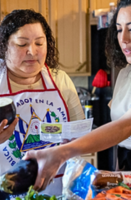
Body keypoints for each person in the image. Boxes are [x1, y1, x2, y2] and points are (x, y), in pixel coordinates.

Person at [23, 0, 131, 192]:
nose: (123, 38)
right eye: (118, 30)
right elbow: (121, 133)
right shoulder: (128, 72)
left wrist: (62, 152)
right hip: (129, 172)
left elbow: (126, 126)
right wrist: (76, 141)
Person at [0, 9, 84, 199]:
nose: (32, 51)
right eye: (22, 44)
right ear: (4, 46)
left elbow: (81, 136)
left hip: (58, 191)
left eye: (39, 43)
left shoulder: (60, 80)